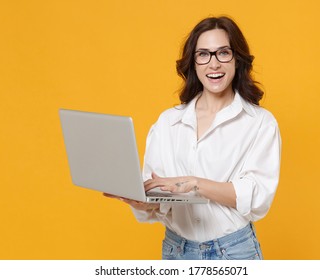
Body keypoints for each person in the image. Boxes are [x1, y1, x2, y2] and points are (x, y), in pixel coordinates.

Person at [104, 16, 281, 260]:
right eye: (204, 55)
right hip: (177, 250)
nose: (214, 64)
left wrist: (195, 183)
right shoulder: (168, 122)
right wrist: (142, 201)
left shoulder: (259, 122)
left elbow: (257, 197)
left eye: (223, 53)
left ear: (237, 60)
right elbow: (157, 195)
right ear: (193, 63)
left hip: (233, 252)